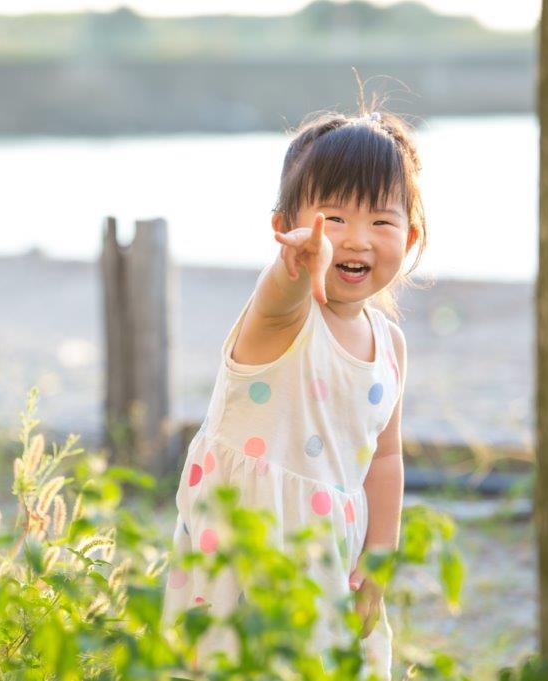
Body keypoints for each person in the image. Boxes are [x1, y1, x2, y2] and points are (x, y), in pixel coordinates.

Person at [160, 107, 427, 679]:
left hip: (331, 543)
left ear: (410, 236)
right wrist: (292, 265)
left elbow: (385, 457)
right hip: (247, 535)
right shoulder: (280, 320)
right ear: (287, 227)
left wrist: (380, 555)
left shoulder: (391, 345)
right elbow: (277, 294)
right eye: (334, 218)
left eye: (382, 222)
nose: (357, 239)